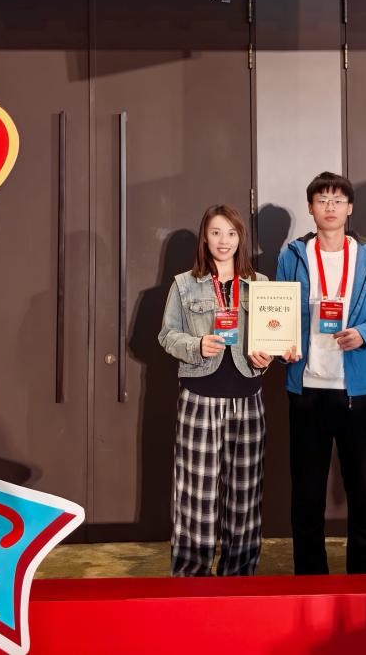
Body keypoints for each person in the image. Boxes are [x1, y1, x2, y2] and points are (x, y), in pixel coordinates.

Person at [276, 171, 366, 575]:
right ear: (310, 208)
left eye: (337, 200)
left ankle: (364, 581)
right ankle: (310, 580)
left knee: (364, 491)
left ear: (349, 208)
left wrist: (364, 334)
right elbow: (277, 313)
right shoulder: (293, 255)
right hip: (307, 388)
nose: (329, 207)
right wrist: (281, 347)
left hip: (356, 389)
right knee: (306, 494)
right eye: (322, 200)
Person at [158, 204, 276, 576]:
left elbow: (272, 338)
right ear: (204, 238)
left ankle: (239, 578)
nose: (223, 241)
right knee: (195, 497)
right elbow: (167, 335)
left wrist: (267, 357)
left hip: (248, 400)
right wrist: (196, 345)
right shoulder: (184, 284)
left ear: (241, 239)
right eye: (215, 233)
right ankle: (191, 578)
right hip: (199, 400)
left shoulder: (260, 284)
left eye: (231, 233)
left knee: (245, 496)